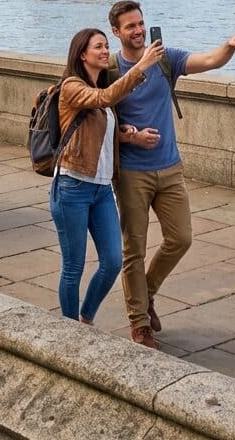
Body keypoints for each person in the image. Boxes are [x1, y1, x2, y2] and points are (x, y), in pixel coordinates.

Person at [108, 0, 235, 349]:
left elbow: (208, 61)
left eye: (141, 23)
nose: (139, 30)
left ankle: (147, 292)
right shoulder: (111, 68)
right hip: (131, 172)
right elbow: (102, 114)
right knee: (134, 250)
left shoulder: (166, 57)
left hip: (170, 167)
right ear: (116, 32)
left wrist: (228, 48)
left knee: (181, 238)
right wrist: (131, 136)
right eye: (130, 26)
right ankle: (139, 323)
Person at [51, 28, 164, 325]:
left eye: (106, 46)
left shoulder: (100, 86)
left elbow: (100, 123)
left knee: (113, 261)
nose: (105, 51)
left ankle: (85, 319)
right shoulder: (72, 86)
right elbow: (101, 99)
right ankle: (68, 328)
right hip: (72, 185)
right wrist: (142, 66)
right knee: (74, 266)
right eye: (98, 47)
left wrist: (127, 135)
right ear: (82, 54)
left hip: (101, 188)